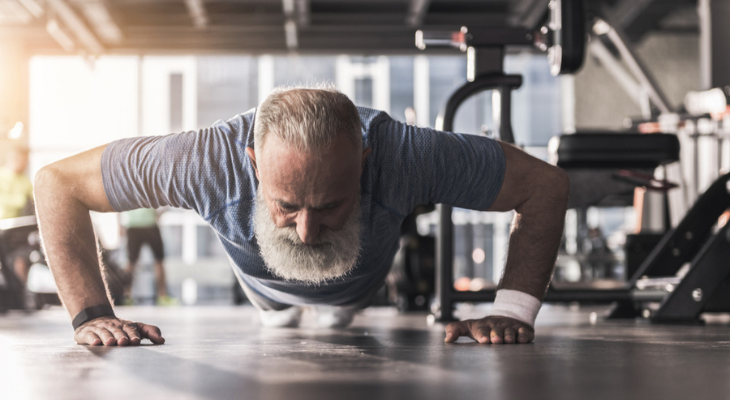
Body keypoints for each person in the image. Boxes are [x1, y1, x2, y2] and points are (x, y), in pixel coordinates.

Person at [34, 86, 569, 347]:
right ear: (252, 165)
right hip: (263, 291)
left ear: (364, 162)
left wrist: (514, 310)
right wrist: (90, 315)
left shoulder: (406, 155)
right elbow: (57, 183)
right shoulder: (202, 162)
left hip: (358, 288)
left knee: (338, 316)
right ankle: (280, 307)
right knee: (280, 315)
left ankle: (329, 303)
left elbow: (543, 185)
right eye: (286, 206)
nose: (308, 230)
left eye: (330, 204)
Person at [120, 208, 175, 305]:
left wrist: (158, 215)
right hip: (136, 225)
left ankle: (162, 296)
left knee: (158, 261)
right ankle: (127, 296)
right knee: (131, 262)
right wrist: (119, 225)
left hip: (149, 225)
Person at [0, 145, 34, 285]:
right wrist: (21, 200)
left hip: (18, 232)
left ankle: (22, 294)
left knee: (20, 260)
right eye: (23, 160)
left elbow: (34, 198)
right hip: (3, 228)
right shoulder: (2, 177)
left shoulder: (24, 180)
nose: (25, 163)